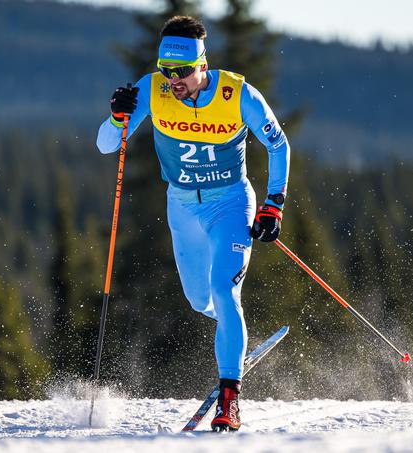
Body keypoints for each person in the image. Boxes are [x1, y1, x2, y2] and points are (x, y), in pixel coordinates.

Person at [96, 15, 290, 432]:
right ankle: (231, 334)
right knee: (201, 300)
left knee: (224, 289)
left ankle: (229, 398)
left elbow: (279, 145)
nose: (174, 80)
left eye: (182, 72)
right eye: (166, 70)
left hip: (230, 204)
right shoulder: (152, 89)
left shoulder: (238, 95)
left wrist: (274, 205)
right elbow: (106, 145)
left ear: (203, 65)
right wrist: (116, 118)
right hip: (182, 207)